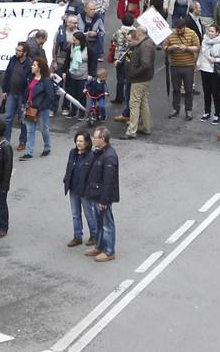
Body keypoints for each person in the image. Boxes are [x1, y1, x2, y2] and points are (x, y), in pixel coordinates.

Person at [82, 126, 120, 263]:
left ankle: (109, 251)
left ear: (102, 139)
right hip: (96, 194)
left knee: (107, 223)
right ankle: (99, 246)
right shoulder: (101, 152)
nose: (93, 139)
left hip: (102, 197)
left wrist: (104, 201)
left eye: (96, 137)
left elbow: (108, 182)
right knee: (99, 223)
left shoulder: (109, 156)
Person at [62, 128, 97, 248]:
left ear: (87, 142)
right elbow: (69, 167)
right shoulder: (73, 153)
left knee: (89, 214)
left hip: (85, 192)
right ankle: (77, 236)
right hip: (73, 189)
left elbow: (94, 176)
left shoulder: (91, 156)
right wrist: (66, 179)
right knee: (75, 214)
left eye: (81, 141)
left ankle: (94, 235)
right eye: (77, 140)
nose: (78, 143)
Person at [122, 25, 156, 139]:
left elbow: (145, 64)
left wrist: (134, 73)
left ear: (140, 33)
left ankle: (131, 131)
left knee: (134, 104)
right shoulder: (146, 43)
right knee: (143, 102)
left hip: (139, 79)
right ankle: (145, 127)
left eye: (137, 32)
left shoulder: (144, 46)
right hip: (144, 78)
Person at [163, 20, 200, 121]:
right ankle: (175, 108)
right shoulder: (171, 34)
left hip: (188, 66)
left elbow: (197, 48)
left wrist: (187, 48)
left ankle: (188, 110)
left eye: (180, 29)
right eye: (177, 30)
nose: (178, 32)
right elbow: (165, 47)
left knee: (188, 90)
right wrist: (171, 48)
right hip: (175, 66)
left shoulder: (192, 33)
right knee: (176, 89)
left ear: (185, 27)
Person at [21, 56, 57, 159]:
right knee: (30, 130)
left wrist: (41, 107)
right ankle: (29, 152)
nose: (32, 66)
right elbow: (27, 92)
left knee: (43, 129)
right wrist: (24, 103)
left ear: (39, 68)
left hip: (41, 109)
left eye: (34, 65)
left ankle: (47, 147)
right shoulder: (31, 78)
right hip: (30, 108)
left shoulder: (46, 80)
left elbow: (50, 96)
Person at [1, 41, 34, 150]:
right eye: (16, 49)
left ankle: (23, 141)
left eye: (19, 50)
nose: (16, 52)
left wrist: (26, 97)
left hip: (22, 96)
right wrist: (4, 90)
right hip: (12, 93)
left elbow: (30, 82)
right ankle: (6, 140)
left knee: (23, 119)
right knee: (8, 118)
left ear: (25, 53)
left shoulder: (29, 64)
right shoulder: (13, 59)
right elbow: (7, 74)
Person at [197, 23, 220, 123]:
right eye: (209, 31)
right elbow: (202, 52)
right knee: (206, 92)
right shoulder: (204, 41)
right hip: (205, 69)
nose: (210, 33)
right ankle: (207, 112)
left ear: (217, 33)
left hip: (216, 71)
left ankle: (217, 114)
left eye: (212, 31)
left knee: (215, 93)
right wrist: (198, 63)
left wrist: (216, 59)